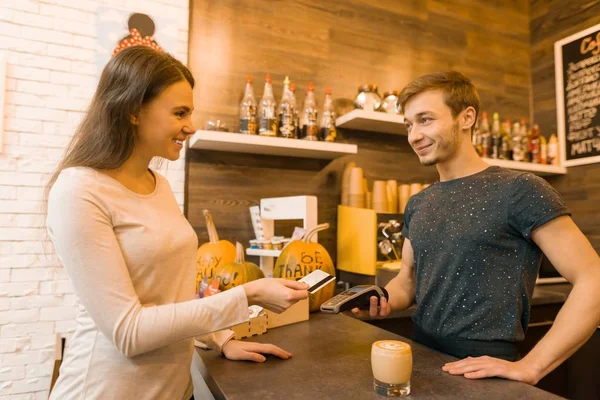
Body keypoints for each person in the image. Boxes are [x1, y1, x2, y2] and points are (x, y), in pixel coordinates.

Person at [45, 46, 309, 400]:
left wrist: (222, 338)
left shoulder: (160, 185)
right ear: (133, 111)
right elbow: (129, 331)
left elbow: (172, 292)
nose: (191, 126)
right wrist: (247, 294)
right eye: (180, 112)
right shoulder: (79, 190)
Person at [355, 71, 600, 385]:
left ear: (466, 117)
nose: (414, 135)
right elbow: (409, 279)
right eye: (409, 124)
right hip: (421, 357)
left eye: (425, 120)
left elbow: (592, 279)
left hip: (484, 369)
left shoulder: (520, 190)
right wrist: (380, 298)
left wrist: (532, 366)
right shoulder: (419, 202)